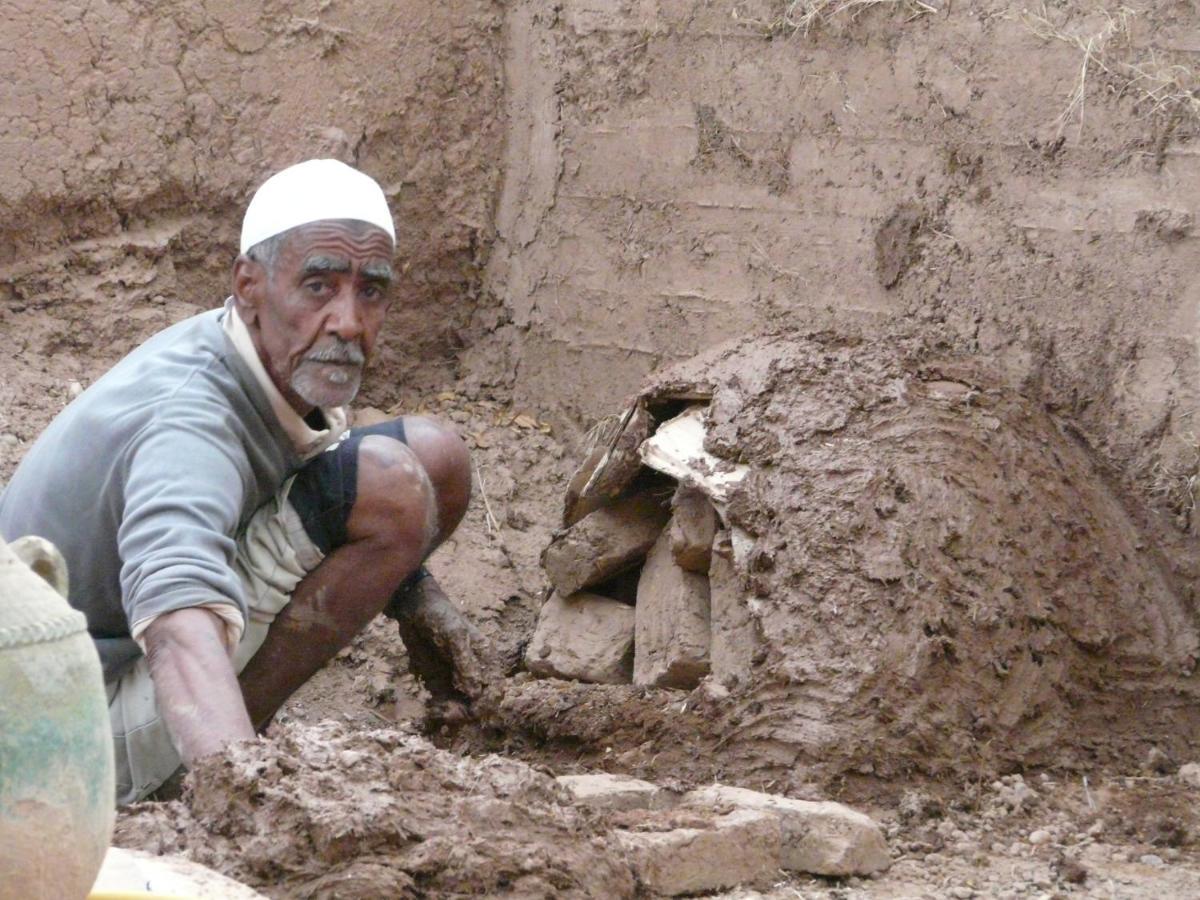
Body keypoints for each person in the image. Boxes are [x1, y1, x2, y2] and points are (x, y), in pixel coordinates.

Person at [0, 159, 492, 804]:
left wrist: (416, 598)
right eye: (318, 286)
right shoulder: (189, 419)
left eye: (370, 291)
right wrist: (244, 808)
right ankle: (205, 775)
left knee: (436, 458)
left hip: (84, 690)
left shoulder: (247, 353)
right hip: (52, 752)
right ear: (249, 285)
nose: (348, 321)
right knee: (388, 486)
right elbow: (176, 610)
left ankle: (221, 746)